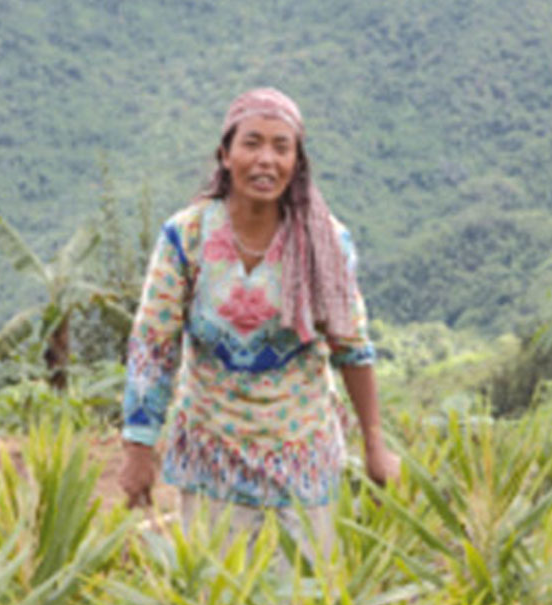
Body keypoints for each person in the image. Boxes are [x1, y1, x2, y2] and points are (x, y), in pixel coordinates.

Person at [118, 87, 398, 553]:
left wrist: (375, 446)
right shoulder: (186, 235)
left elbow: (353, 348)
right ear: (226, 154)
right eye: (252, 143)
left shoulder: (326, 243)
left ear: (297, 162)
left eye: (280, 147)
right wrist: (138, 447)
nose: (265, 159)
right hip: (213, 454)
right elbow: (153, 345)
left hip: (303, 454)